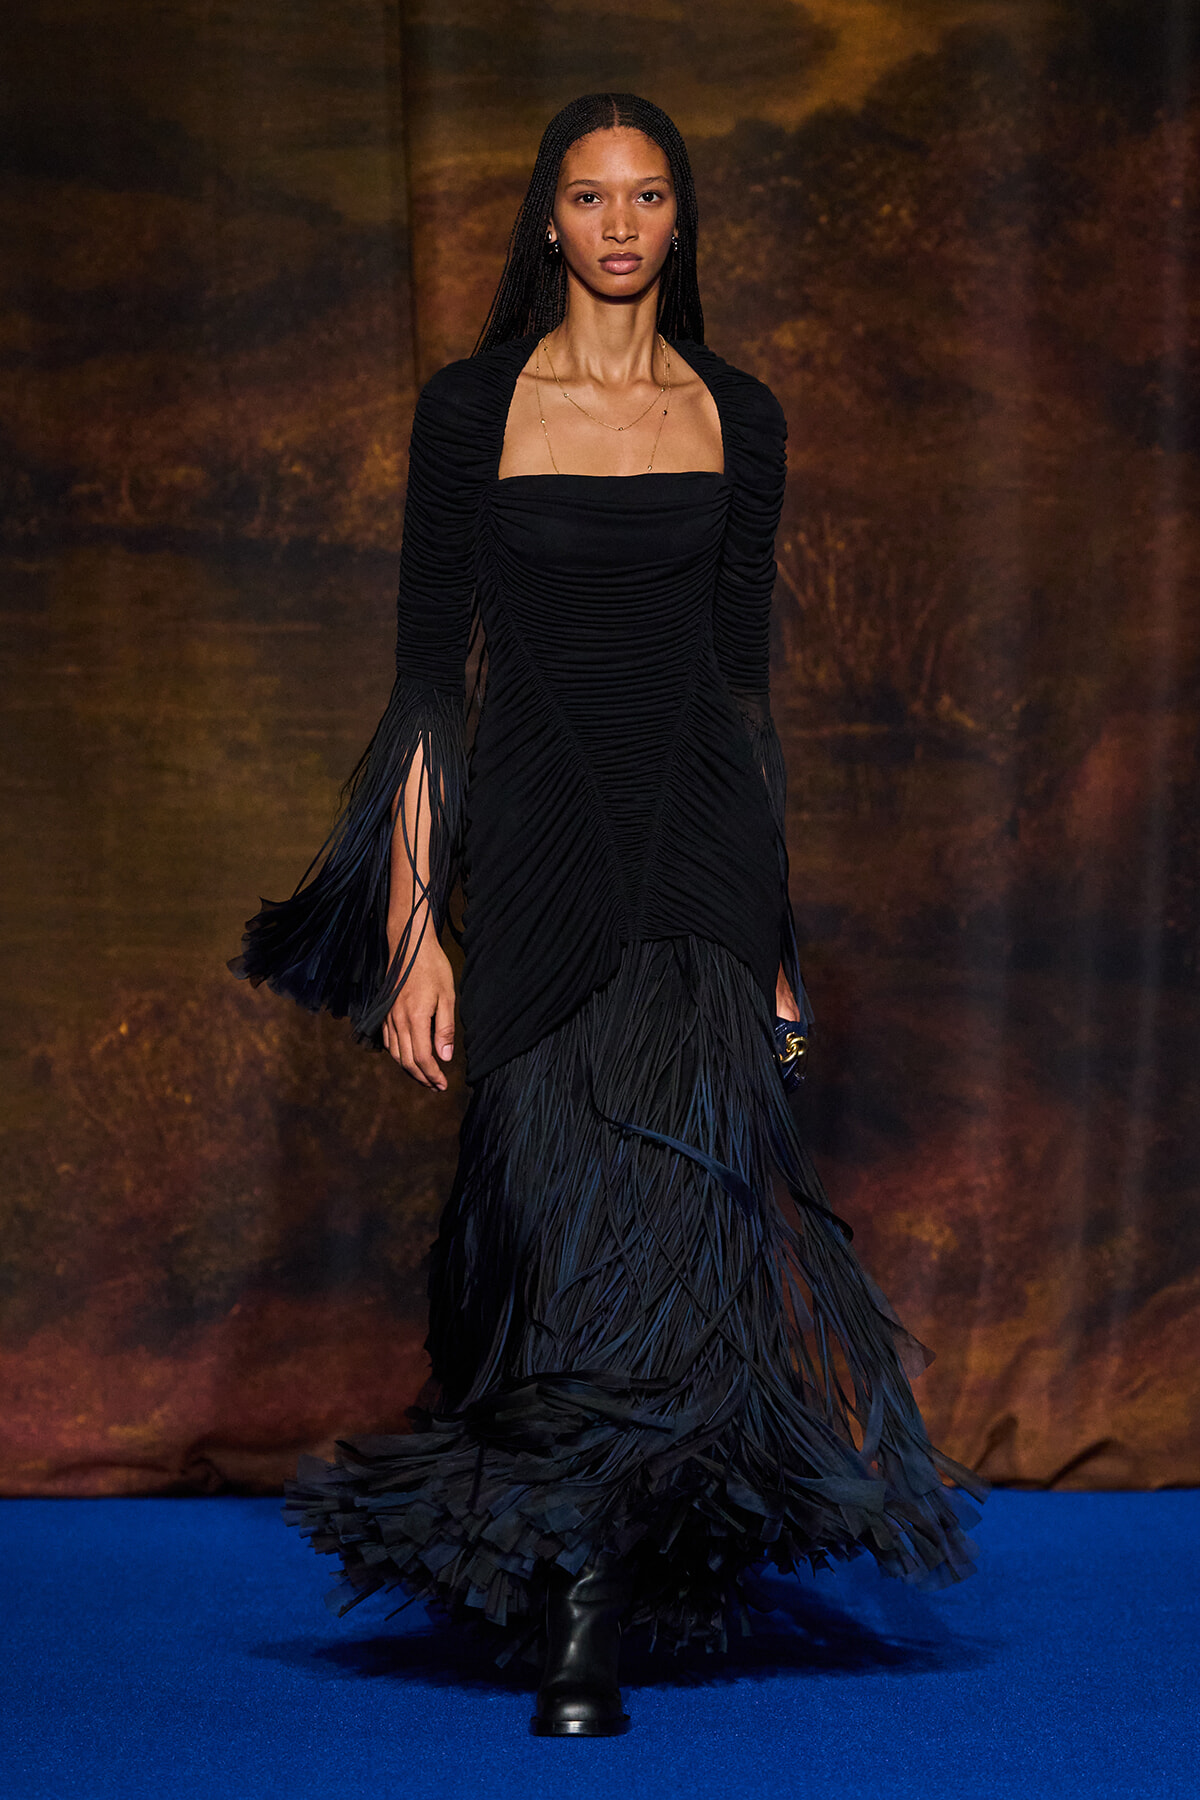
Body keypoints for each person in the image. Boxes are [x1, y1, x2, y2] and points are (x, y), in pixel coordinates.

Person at [230, 91, 988, 1738]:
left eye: (648, 196)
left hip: (702, 858)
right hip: (533, 851)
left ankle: (590, 1603)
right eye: (591, 196)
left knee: (676, 1224)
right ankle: (574, 1551)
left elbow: (743, 695)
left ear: (681, 218)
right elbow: (428, 688)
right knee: (547, 1207)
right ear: (549, 219)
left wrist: (776, 953)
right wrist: (414, 935)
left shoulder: (740, 415)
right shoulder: (472, 410)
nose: (622, 224)